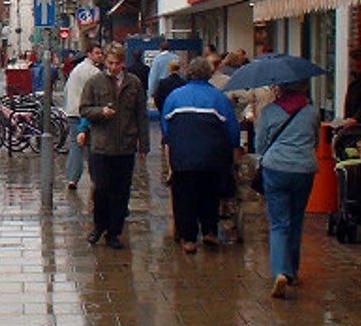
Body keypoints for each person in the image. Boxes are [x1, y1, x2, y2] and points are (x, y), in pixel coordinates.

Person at [161, 56, 241, 254]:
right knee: (210, 194)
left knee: (184, 197)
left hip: (183, 157)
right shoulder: (219, 98)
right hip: (212, 157)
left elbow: (166, 129)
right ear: (209, 74)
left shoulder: (174, 97)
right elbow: (232, 130)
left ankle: (188, 238)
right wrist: (232, 150)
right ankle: (209, 231)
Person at [78, 43, 150, 250]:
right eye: (110, 63)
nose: (113, 67)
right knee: (101, 188)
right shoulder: (95, 82)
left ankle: (114, 232)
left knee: (121, 191)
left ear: (123, 63)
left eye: (117, 63)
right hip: (101, 145)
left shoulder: (134, 84)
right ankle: (99, 226)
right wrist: (101, 112)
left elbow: (141, 115)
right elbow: (84, 109)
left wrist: (143, 144)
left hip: (125, 146)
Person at [256, 80, 320, 299]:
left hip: (276, 169)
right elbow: (316, 141)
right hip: (304, 170)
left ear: (280, 88)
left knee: (279, 223)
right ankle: (292, 271)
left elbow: (260, 144)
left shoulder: (270, 111)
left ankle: (280, 271)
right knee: (296, 219)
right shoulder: (311, 112)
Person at [62, 42, 105, 190]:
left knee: (76, 146)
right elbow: (98, 96)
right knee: (93, 146)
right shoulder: (95, 73)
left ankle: (72, 178)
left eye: (101, 53)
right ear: (89, 54)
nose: (100, 56)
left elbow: (66, 90)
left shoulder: (76, 70)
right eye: (97, 53)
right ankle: (96, 178)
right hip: (87, 113)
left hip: (72, 112)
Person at [146, 39, 178, 107]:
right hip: (175, 87)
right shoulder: (176, 58)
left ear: (160, 49)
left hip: (162, 88)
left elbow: (153, 77)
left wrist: (151, 92)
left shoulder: (157, 60)